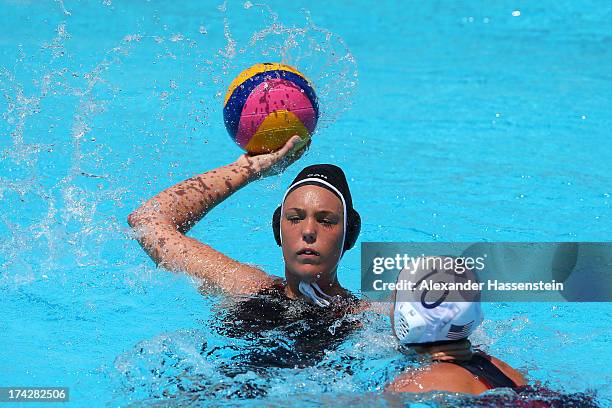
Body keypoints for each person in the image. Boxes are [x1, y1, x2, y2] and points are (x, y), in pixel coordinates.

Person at [386, 256, 528, 394]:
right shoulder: (503, 370)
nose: (390, 309)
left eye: (394, 300)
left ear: (408, 316)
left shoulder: (415, 384)